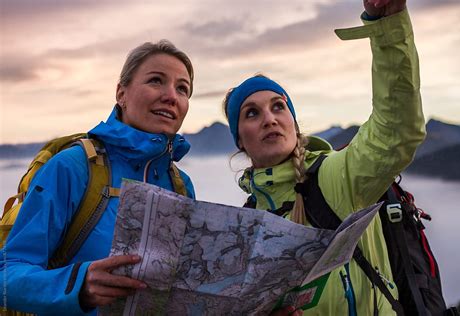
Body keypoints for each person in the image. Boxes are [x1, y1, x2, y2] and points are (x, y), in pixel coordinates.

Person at [222, 0, 425, 315]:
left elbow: (396, 130)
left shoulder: (336, 178)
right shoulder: (246, 224)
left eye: (279, 106)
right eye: (252, 113)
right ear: (239, 139)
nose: (269, 118)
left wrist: (389, 26)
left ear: (294, 122)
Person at [1, 40, 195, 315]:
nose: (171, 96)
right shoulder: (74, 167)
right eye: (156, 81)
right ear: (121, 93)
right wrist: (78, 286)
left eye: (182, 88)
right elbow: (7, 273)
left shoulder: (181, 185)